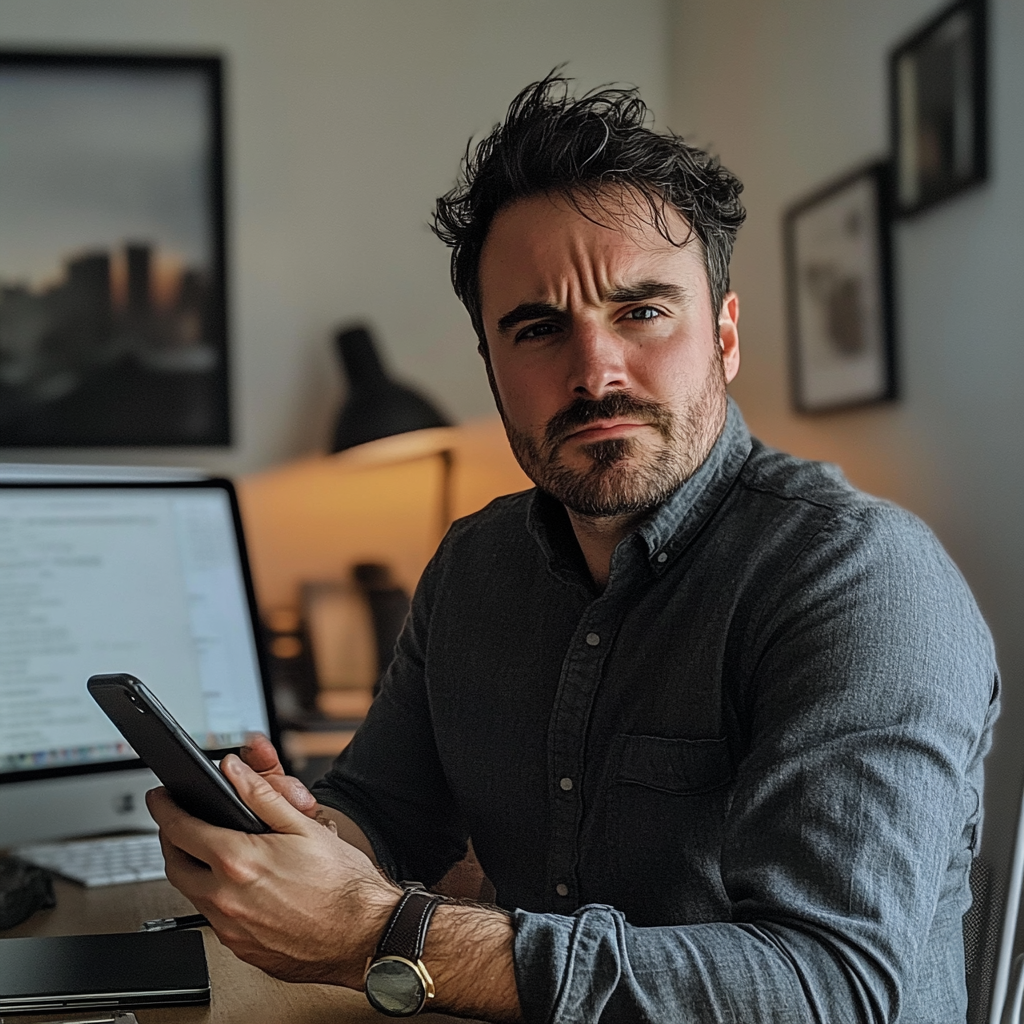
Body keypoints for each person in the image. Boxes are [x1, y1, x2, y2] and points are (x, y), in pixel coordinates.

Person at [148, 75, 1000, 1023]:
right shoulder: (473, 569)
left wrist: (386, 932)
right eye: (539, 328)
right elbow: (383, 815)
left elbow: (833, 990)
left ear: (723, 337)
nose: (594, 370)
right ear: (492, 370)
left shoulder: (859, 580)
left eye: (641, 311)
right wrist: (294, 835)